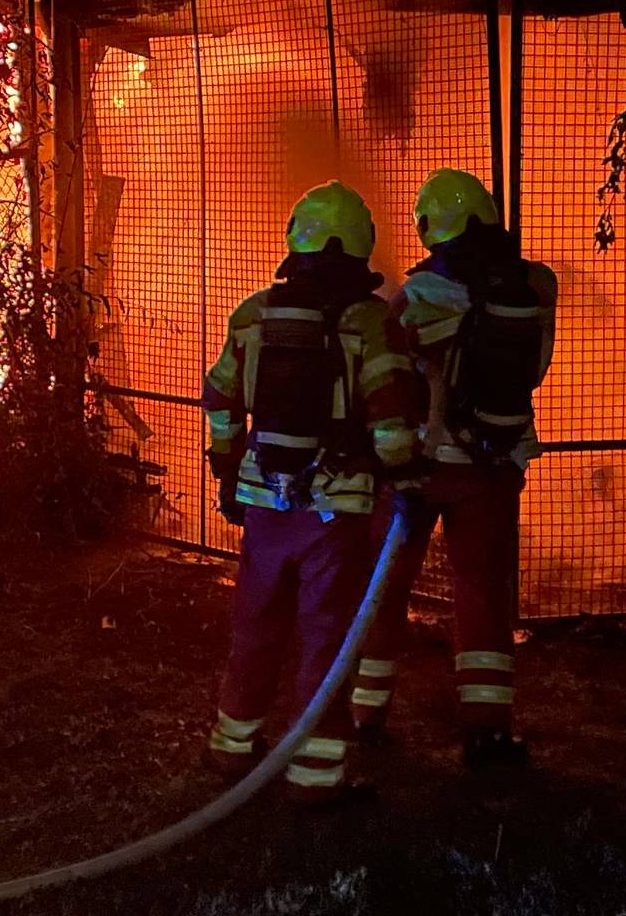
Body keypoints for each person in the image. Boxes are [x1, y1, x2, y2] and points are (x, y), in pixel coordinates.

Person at [200, 181, 424, 800]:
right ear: (360, 245)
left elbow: (220, 400)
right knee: (327, 632)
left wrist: (227, 471)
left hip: (265, 500)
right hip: (337, 507)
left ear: (295, 240)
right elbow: (389, 417)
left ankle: (232, 745)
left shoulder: (253, 314)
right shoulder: (370, 321)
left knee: (256, 620)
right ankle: (314, 774)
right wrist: (405, 474)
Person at [349, 167, 556, 768]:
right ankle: (487, 732)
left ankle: (365, 716)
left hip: (419, 464)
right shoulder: (534, 286)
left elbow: (386, 375)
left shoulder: (418, 294)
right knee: (483, 592)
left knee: (386, 586)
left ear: (428, 226)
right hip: (494, 461)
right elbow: (534, 371)